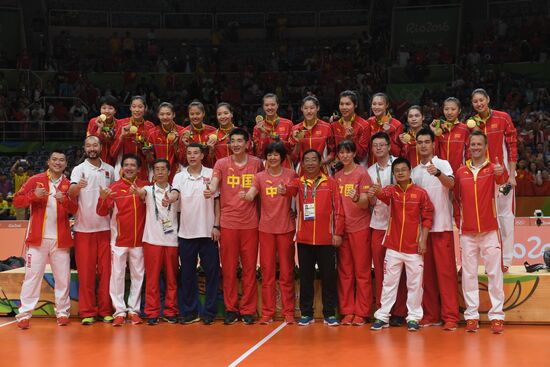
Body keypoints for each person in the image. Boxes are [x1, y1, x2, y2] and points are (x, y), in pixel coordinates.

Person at [204, 128, 263, 325]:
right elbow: (214, 183)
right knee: (228, 270)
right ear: (228, 144)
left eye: (240, 140)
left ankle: (247, 309)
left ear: (247, 143)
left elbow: (261, 189)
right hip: (228, 223)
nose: (236, 144)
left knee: (248, 269)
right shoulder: (221, 163)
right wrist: (210, 189)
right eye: (233, 141)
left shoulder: (257, 163)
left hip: (250, 224)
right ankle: (231, 309)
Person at [13, 151, 78, 329]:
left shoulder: (68, 184)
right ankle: (25, 314)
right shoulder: (35, 180)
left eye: (62, 160)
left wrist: (64, 200)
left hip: (61, 240)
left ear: (66, 164)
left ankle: (63, 312)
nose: (58, 163)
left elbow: (75, 209)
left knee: (62, 278)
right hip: (37, 239)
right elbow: (17, 201)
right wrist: (34, 196)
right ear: (48, 162)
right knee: (32, 277)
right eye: (54, 159)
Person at [370, 157, 434, 332]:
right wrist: (376, 191)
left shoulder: (421, 193)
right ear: (394, 174)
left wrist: (423, 240)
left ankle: (413, 317)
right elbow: (382, 195)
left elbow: (428, 217)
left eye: (403, 169)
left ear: (409, 171)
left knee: (414, 285)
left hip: (414, 249)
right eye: (396, 170)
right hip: (393, 247)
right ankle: (382, 316)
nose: (400, 172)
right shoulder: (391, 191)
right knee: (389, 284)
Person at [454, 131, 508, 334]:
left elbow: (503, 182)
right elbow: (456, 199)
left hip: (490, 230)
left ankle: (497, 316)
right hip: (467, 232)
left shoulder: (493, 169)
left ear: (485, 147)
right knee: (469, 274)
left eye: (479, 144)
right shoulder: (461, 172)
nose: (475, 147)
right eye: (472, 144)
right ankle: (471, 316)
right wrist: (460, 223)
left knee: (494, 274)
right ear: (468, 146)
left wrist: (500, 172)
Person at [282, 149, 344, 326]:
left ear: (320, 162)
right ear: (302, 163)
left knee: (328, 277)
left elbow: (339, 209)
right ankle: (306, 313)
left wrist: (338, 233)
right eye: (306, 160)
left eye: (313, 160)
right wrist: (283, 189)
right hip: (304, 239)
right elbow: (287, 191)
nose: (310, 163)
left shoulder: (330, 183)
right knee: (306, 277)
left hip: (326, 239)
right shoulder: (298, 183)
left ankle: (329, 313)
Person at [241, 142, 297, 324]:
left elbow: (296, 192)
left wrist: (286, 191)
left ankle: (289, 312)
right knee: (267, 272)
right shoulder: (259, 177)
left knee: (287, 272)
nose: (273, 158)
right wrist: (245, 195)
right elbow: (251, 194)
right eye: (270, 155)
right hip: (265, 229)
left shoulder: (291, 174)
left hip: (286, 229)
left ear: (282, 157)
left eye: (276, 154)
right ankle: (268, 311)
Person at [411, 128, 459, 331]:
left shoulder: (442, 164)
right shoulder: (413, 171)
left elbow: (452, 184)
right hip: (423, 231)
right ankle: (430, 314)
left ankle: (450, 317)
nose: (423, 145)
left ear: (433, 144)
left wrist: (438, 174)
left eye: (426, 142)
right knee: (427, 276)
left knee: (446, 274)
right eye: (419, 142)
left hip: (442, 227)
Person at [168, 143, 220, 325]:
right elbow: (175, 192)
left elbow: (217, 202)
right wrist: (171, 197)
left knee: (212, 273)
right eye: (189, 153)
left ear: (202, 155)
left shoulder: (211, 174)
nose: (192, 156)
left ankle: (209, 311)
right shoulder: (180, 176)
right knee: (187, 274)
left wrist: (217, 225)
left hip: (208, 233)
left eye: (195, 153)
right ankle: (191, 311)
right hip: (186, 233)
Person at [96, 153, 148, 326]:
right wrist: (103, 199)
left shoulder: (145, 187)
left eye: (133, 165)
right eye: (126, 165)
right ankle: (119, 311)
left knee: (138, 276)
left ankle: (134, 310)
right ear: (122, 168)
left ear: (139, 169)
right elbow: (102, 212)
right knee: (117, 276)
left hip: (139, 240)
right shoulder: (114, 188)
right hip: (118, 241)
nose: (129, 168)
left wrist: (141, 195)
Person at [469, 89, 517, 271]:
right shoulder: (472, 124)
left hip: (503, 177)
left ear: (488, 100)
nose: (479, 104)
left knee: (506, 217)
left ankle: (506, 260)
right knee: (488, 219)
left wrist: (512, 175)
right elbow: (470, 151)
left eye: (481, 100)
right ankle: (491, 260)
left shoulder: (503, 118)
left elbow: (512, 146)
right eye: (475, 101)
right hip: (482, 179)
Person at [68, 136, 115, 325]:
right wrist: (77, 188)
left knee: (106, 274)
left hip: (105, 229)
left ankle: (105, 310)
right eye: (89, 145)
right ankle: (87, 312)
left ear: (100, 147)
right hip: (83, 229)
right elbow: (70, 192)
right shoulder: (78, 170)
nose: (92, 148)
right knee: (86, 273)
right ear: (85, 148)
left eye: (95, 145)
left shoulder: (110, 170)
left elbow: (116, 194)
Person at [366, 132, 408, 325]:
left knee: (399, 271)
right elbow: (371, 202)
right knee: (382, 271)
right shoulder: (369, 171)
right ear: (372, 149)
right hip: (377, 224)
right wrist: (374, 194)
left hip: (398, 226)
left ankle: (400, 312)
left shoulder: (399, 167)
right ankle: (383, 311)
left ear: (389, 146)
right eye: (375, 146)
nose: (379, 148)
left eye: (382, 145)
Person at [135, 159, 179, 325]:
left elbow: (176, 197)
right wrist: (137, 191)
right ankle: (152, 312)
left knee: (171, 279)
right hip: (152, 240)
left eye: (163, 169)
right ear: (153, 173)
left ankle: (170, 311)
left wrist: (171, 198)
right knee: (152, 279)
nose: (160, 172)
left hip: (171, 240)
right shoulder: (147, 189)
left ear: (169, 172)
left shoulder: (175, 191)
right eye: (157, 169)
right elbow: (141, 193)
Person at [334, 140, 373, 326]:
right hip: (343, 229)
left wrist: (357, 199)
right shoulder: (337, 176)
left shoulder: (361, 173)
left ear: (354, 153)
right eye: (341, 153)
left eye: (348, 152)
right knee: (345, 272)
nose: (344, 156)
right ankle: (347, 310)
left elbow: (366, 203)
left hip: (360, 228)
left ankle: (362, 312)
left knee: (362, 272)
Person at [110, 95, 155, 180]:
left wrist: (144, 148)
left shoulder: (150, 126)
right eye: (134, 107)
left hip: (142, 171)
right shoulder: (121, 124)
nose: (137, 110)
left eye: (140, 107)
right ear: (130, 108)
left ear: (145, 108)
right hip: (124, 170)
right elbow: (112, 153)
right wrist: (122, 136)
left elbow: (152, 158)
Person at [289, 96, 334, 173]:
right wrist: (298, 143)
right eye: (306, 108)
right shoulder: (295, 129)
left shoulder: (327, 127)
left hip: (322, 170)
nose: (309, 111)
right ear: (301, 109)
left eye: (312, 108)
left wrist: (323, 161)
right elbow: (293, 158)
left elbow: (333, 152)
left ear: (318, 108)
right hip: (302, 172)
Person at [147, 102, 186, 183]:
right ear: (158, 115)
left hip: (177, 173)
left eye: (168, 114)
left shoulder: (182, 132)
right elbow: (150, 161)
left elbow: (184, 159)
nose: (165, 117)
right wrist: (148, 153)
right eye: (162, 114)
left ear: (174, 115)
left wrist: (175, 145)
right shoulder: (151, 133)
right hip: (158, 173)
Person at [253, 94, 294, 167]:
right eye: (266, 105)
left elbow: (292, 150)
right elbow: (259, 154)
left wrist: (280, 141)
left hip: (285, 165)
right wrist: (263, 134)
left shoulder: (288, 124)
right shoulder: (257, 128)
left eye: (272, 105)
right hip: (267, 167)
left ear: (277, 105)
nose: (270, 107)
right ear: (263, 107)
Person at [330, 90, 370, 165]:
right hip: (337, 169)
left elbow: (361, 155)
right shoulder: (333, 125)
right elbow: (332, 150)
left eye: (348, 104)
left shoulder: (364, 125)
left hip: (357, 168)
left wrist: (351, 139)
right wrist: (331, 160)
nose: (344, 107)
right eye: (341, 104)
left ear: (355, 105)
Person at [431, 97, 470, 173]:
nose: (449, 112)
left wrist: (467, 167)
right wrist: (434, 131)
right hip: (441, 172)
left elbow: (469, 151)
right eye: (446, 109)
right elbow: (434, 151)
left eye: (453, 109)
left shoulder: (464, 129)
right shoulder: (439, 129)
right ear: (443, 110)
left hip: (459, 171)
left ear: (459, 111)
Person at [365, 93, 403, 166]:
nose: (376, 107)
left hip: (389, 168)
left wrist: (387, 135)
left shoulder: (396, 125)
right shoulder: (369, 122)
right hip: (372, 167)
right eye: (374, 104)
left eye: (380, 104)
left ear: (387, 105)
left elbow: (397, 153)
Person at [180, 101, 217, 167]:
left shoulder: (213, 131)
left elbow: (216, 159)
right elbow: (182, 161)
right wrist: (186, 147)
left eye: (198, 113)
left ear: (203, 113)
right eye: (192, 114)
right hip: (190, 173)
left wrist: (211, 150)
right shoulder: (183, 133)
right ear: (188, 115)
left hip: (209, 171)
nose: (195, 116)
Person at [87, 96, 119, 166]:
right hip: (96, 161)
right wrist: (99, 128)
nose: (107, 111)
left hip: (113, 161)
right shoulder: (93, 122)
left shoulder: (119, 124)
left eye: (110, 108)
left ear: (115, 110)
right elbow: (90, 143)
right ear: (100, 109)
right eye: (104, 108)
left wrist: (110, 140)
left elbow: (118, 145)